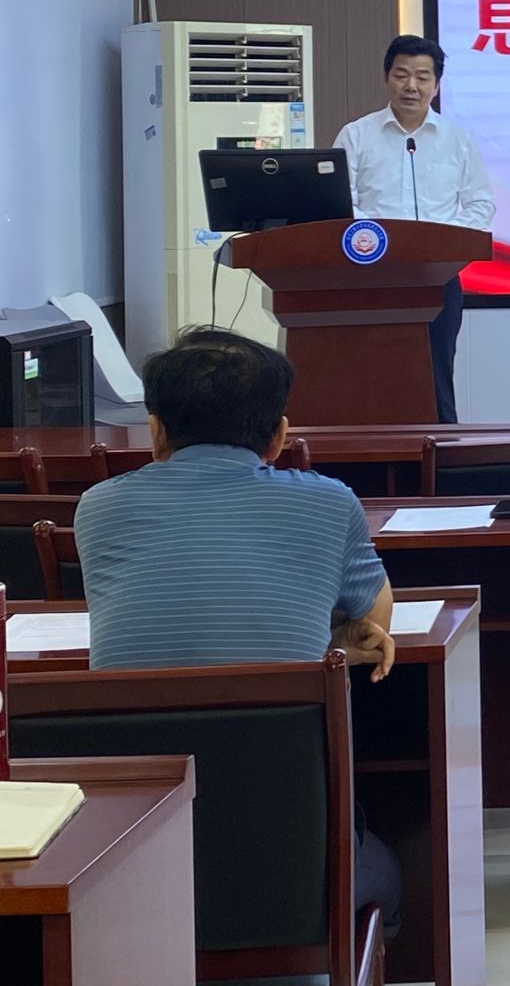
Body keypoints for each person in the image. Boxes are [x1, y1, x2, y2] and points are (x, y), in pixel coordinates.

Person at [74, 327, 403, 930]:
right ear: (279, 436)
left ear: (155, 431)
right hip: (289, 851)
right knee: (386, 869)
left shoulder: (98, 508)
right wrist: (330, 633)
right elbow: (375, 616)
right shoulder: (330, 503)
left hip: (127, 852)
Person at [335, 34, 495, 423]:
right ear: (386, 78)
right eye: (401, 75)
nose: (411, 86)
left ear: (436, 85)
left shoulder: (457, 140)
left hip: (437, 276)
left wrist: (445, 243)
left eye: (422, 77)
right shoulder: (356, 135)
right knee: (370, 373)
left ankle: (442, 451)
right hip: (371, 273)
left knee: (435, 375)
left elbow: (480, 204)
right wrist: (375, 240)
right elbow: (340, 203)